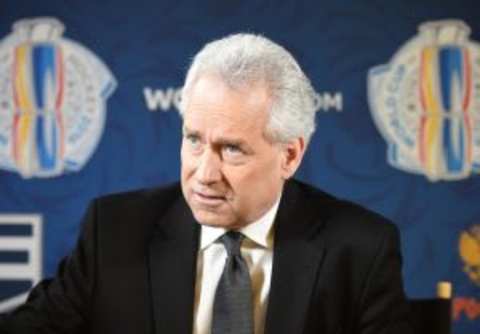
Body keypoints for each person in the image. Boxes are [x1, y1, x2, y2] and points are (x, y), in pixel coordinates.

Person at [1, 34, 412, 334]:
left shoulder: (361, 249)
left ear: (289, 155)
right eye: (194, 140)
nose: (204, 173)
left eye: (231, 149)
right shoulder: (115, 230)